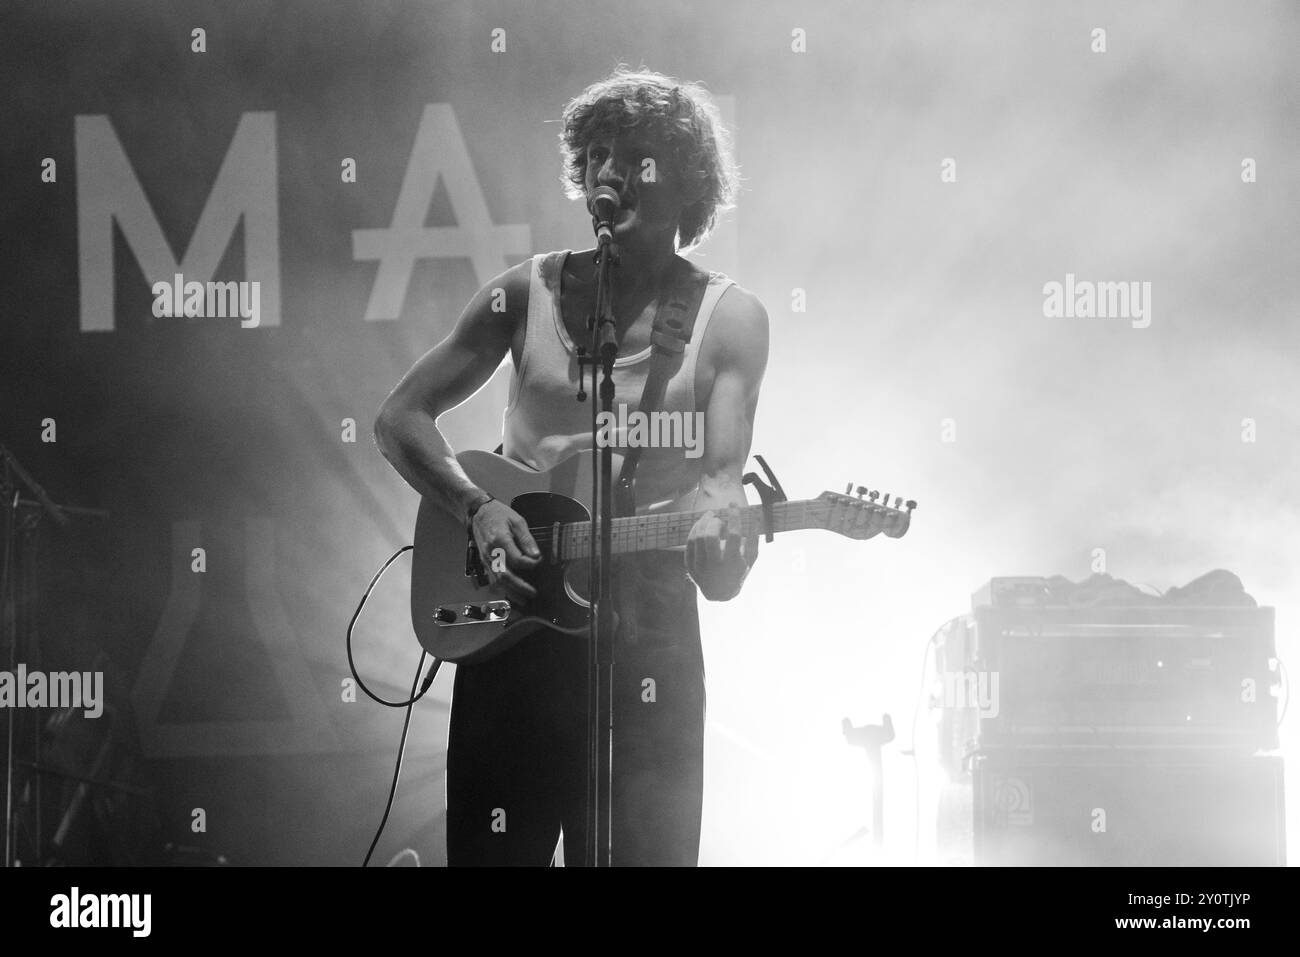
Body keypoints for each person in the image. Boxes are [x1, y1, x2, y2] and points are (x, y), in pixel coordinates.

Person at [374, 67, 769, 865]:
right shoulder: (523, 294)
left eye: (633, 154)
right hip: (514, 625)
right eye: (592, 155)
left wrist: (726, 544)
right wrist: (476, 506)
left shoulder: (730, 321)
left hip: (646, 630)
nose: (607, 172)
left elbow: (723, 491)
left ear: (682, 177)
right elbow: (399, 418)